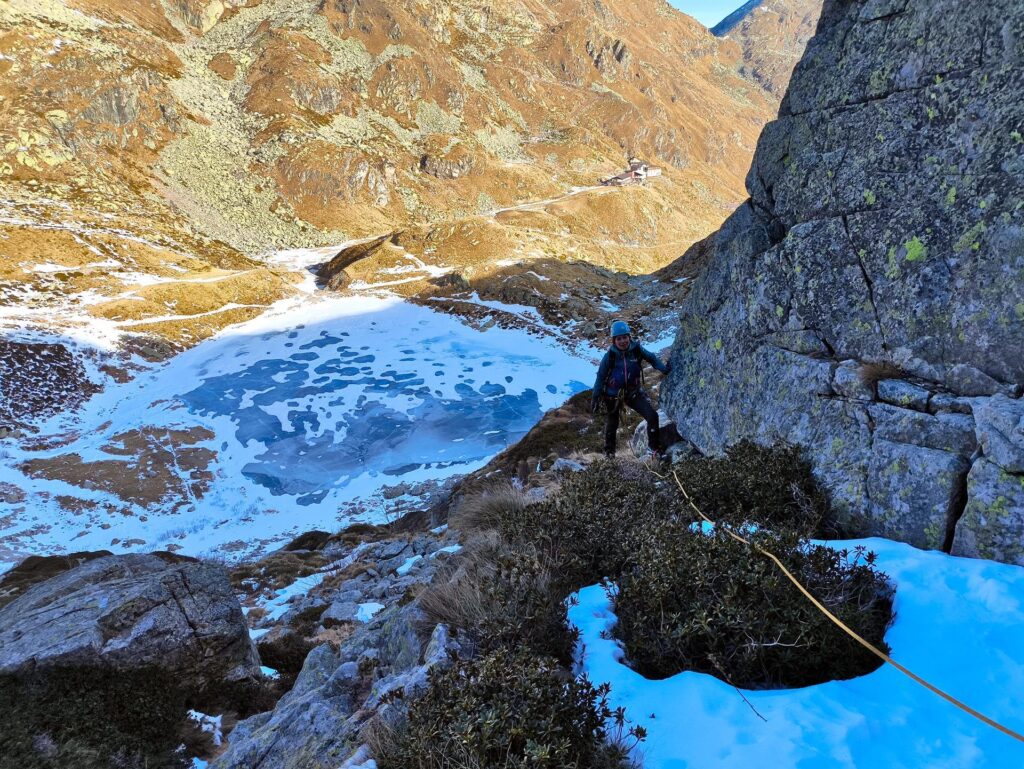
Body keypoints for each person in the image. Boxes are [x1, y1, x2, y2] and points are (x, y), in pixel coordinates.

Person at [590, 320, 670, 457]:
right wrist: (595, 397)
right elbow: (601, 377)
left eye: (625, 337)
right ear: (614, 340)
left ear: (629, 337)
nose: (622, 341)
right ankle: (609, 454)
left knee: (652, 416)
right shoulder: (610, 356)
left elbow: (651, 358)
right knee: (612, 424)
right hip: (612, 396)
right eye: (619, 339)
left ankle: (654, 448)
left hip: (633, 392)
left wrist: (664, 369)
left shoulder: (636, 349)